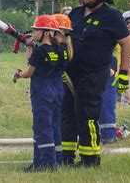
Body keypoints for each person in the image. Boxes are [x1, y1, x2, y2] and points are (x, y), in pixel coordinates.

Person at [62, 0, 130, 167]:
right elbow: (61, 37)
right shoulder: (75, 13)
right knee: (66, 113)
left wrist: (123, 73)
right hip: (69, 73)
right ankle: (66, 156)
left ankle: (90, 159)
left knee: (87, 113)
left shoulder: (112, 16)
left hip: (93, 73)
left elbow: (126, 44)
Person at [14, 15, 61, 172]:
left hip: (40, 89)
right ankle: (40, 162)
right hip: (52, 87)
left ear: (46, 33)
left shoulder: (40, 51)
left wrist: (18, 74)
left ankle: (46, 164)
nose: (34, 34)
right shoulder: (56, 49)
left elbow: (29, 72)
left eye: (36, 30)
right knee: (47, 126)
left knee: (41, 127)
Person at [51, 14, 73, 165]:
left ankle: (58, 158)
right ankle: (60, 156)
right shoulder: (64, 47)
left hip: (56, 90)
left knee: (56, 123)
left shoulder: (58, 49)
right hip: (60, 89)